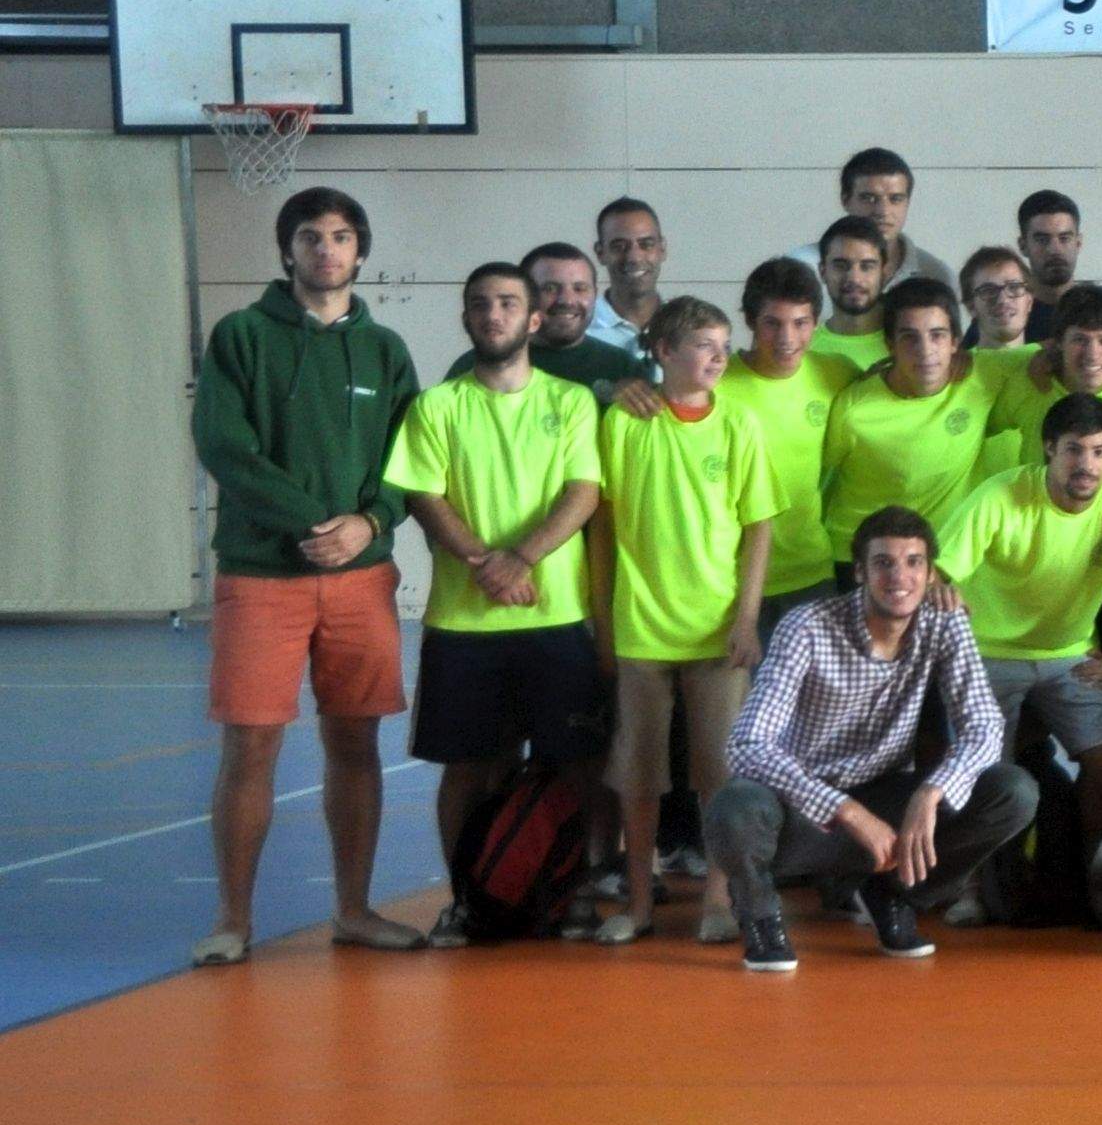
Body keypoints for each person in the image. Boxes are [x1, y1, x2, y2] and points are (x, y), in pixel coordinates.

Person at [193, 185, 422, 964]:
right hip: (262, 575)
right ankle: (233, 920)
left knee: (355, 744)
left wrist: (372, 520)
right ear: (286, 249)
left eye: (341, 236)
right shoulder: (241, 336)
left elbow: (409, 459)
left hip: (363, 576)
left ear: (361, 250)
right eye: (311, 237)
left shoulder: (386, 351)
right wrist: (310, 523)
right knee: (250, 748)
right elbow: (226, 447)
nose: (327, 250)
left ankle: (354, 911)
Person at [710, 505, 1039, 971]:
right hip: (800, 807)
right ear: (860, 572)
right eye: (884, 562)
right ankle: (761, 916)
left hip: (887, 796)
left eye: (913, 562)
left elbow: (985, 727)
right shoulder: (807, 626)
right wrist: (845, 810)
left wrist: (931, 792)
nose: (899, 576)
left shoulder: (945, 623)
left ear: (930, 574)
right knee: (734, 807)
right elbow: (746, 744)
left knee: (1013, 791)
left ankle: (893, 894)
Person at [389, 264, 607, 931]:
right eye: (479, 304)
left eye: (508, 303)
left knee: (574, 766)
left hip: (556, 615)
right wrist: (486, 563)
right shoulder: (437, 406)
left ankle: (570, 894)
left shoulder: (569, 401)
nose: (493, 314)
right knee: (467, 770)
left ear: (534, 319)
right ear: (465, 318)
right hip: (464, 621)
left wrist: (523, 558)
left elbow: (583, 492)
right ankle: (466, 899)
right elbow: (423, 494)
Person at [936, 390, 1102, 925]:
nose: (1086, 465)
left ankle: (1084, 873)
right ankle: (972, 884)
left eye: (1100, 452)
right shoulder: (999, 496)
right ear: (1048, 449)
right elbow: (939, 571)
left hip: (1069, 657)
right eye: (1074, 450)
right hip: (990, 653)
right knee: (985, 768)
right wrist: (944, 592)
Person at [587, 297, 774, 944]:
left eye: (724, 344)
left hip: (717, 632)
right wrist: (603, 619)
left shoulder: (739, 425)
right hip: (641, 628)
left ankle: (718, 902)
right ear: (664, 352)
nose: (719, 356)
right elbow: (602, 528)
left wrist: (746, 618)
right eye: (702, 344)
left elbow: (758, 528)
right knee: (638, 779)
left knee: (718, 775)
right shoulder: (624, 422)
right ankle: (638, 903)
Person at [815, 277, 999, 565]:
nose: (925, 350)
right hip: (857, 559)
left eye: (937, 335)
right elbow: (818, 482)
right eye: (909, 337)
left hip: (938, 560)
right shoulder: (854, 410)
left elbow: (1042, 355)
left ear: (956, 342)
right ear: (889, 345)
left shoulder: (982, 380)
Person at [710, 259, 853, 629]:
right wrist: (630, 387)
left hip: (811, 574)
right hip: (729, 580)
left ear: (816, 322)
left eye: (800, 323)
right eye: (773, 323)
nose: (787, 338)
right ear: (750, 321)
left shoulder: (836, 373)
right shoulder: (714, 383)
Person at [989, 285, 1102, 520]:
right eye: (1080, 340)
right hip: (1038, 540)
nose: (1092, 353)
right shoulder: (1030, 383)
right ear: (1059, 342)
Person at [791, 146, 949, 293]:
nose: (882, 211)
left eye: (895, 199)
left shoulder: (937, 275)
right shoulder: (801, 268)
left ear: (908, 203)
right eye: (869, 198)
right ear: (845, 200)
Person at [512, 241, 648, 394]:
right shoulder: (492, 365)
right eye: (550, 288)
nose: (567, 300)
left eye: (580, 288)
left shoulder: (625, 368)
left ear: (595, 293)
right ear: (522, 294)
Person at [807, 217, 897, 375]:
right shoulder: (804, 348)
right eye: (841, 266)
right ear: (822, 271)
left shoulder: (906, 344)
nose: (854, 278)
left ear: (884, 273)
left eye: (867, 266)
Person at [583, 196, 664, 355]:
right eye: (619, 246)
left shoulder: (691, 328)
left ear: (662, 249)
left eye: (646, 245)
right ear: (600, 253)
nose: (634, 257)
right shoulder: (580, 330)